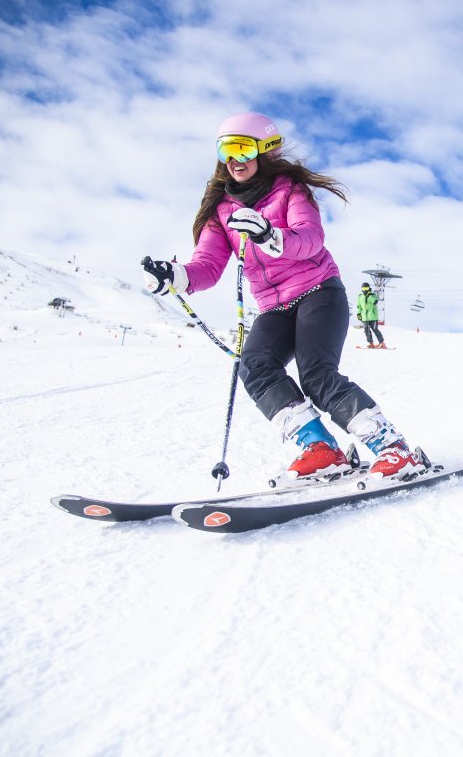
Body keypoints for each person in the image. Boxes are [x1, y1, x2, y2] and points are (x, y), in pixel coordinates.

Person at [142, 112, 424, 482]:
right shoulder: (220, 211)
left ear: (266, 149)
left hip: (318, 291)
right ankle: (320, 450)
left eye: (242, 148)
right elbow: (207, 267)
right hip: (273, 307)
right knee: (254, 366)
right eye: (225, 149)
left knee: (316, 374)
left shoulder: (290, 191)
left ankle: (393, 449)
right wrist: (176, 277)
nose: (233, 159)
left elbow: (310, 239)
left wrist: (269, 235)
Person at [356, 282, 386, 348]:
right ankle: (371, 343)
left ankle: (382, 343)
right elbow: (359, 307)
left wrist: (369, 296)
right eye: (363, 288)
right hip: (364, 317)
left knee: (375, 329)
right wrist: (358, 314)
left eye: (366, 288)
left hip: (373, 316)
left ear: (369, 288)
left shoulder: (373, 295)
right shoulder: (360, 297)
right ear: (361, 289)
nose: (365, 290)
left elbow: (375, 301)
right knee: (366, 330)